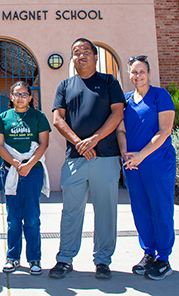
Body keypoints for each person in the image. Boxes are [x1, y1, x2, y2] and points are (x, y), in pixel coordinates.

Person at [49, 38, 125, 280]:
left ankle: (102, 261)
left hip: (105, 157)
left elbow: (118, 112)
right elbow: (58, 119)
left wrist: (94, 139)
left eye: (85, 51)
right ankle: (65, 258)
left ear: (95, 56)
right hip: (75, 159)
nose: (80, 55)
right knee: (71, 211)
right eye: (75, 52)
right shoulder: (65, 85)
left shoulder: (110, 82)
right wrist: (79, 143)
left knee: (105, 211)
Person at [116, 55, 176, 280]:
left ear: (149, 73)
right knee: (140, 210)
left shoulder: (161, 96)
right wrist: (125, 153)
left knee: (160, 208)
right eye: (134, 72)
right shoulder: (126, 100)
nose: (138, 76)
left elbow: (165, 130)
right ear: (129, 75)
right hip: (133, 165)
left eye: (142, 71)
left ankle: (164, 258)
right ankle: (148, 253)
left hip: (158, 163)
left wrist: (141, 154)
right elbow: (120, 130)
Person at [0, 81, 51, 276]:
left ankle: (35, 258)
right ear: (11, 97)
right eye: (16, 94)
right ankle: (13, 258)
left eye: (24, 94)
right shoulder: (3, 118)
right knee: (13, 218)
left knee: (33, 217)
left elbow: (44, 143)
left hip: (33, 171)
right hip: (11, 171)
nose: (20, 98)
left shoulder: (39, 117)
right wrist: (17, 164)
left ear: (30, 97)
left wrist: (28, 164)